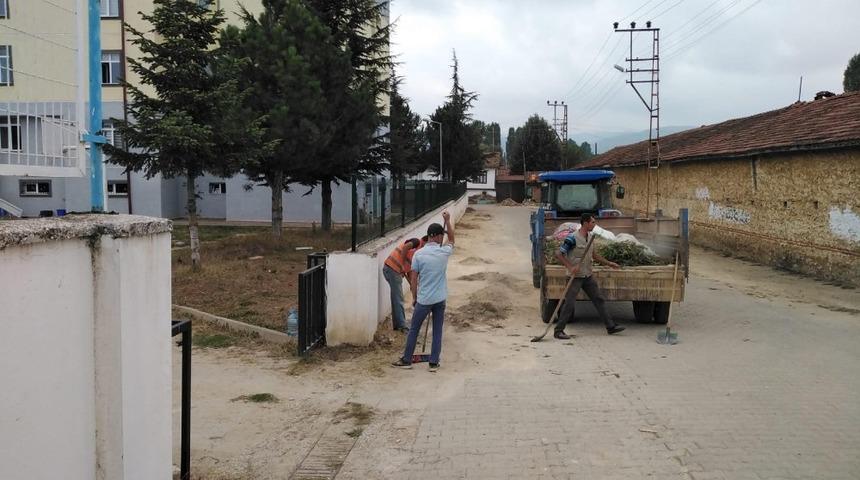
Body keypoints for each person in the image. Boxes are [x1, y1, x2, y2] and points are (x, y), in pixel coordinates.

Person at [392, 211, 455, 372]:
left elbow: (414, 279)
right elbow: (453, 239)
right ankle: (434, 362)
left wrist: (414, 297)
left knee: (414, 329)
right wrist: (447, 221)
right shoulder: (444, 252)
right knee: (438, 330)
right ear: (439, 237)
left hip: (424, 299)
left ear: (429, 236)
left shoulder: (418, 254)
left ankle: (407, 360)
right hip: (440, 299)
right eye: (442, 236)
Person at [554, 213, 625, 339]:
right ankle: (558, 331)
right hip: (574, 277)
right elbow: (559, 253)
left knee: (599, 299)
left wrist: (609, 263)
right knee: (569, 303)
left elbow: (594, 255)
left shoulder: (590, 237)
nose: (594, 224)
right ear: (585, 223)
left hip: (587, 275)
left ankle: (610, 326)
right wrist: (570, 267)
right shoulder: (572, 238)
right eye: (592, 222)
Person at [382, 237, 424, 332]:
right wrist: (402, 266)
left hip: (393, 269)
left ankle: (398, 325)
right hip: (392, 268)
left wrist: (412, 286)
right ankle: (402, 325)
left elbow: (409, 270)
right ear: (423, 242)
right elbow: (405, 248)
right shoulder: (416, 242)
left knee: (396, 298)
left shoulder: (417, 254)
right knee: (398, 298)